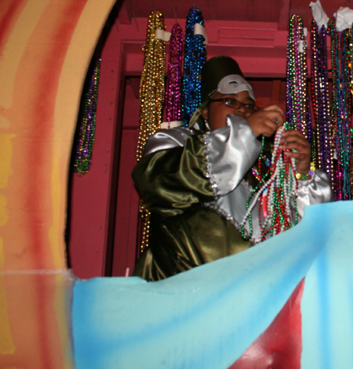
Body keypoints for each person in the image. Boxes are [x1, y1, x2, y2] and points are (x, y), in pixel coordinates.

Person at [132, 56, 331, 280]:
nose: (242, 110)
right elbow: (159, 182)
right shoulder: (177, 142)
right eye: (230, 101)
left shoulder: (267, 166)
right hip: (183, 294)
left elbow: (307, 236)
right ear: (205, 111)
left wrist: (301, 174)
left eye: (247, 105)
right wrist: (244, 133)